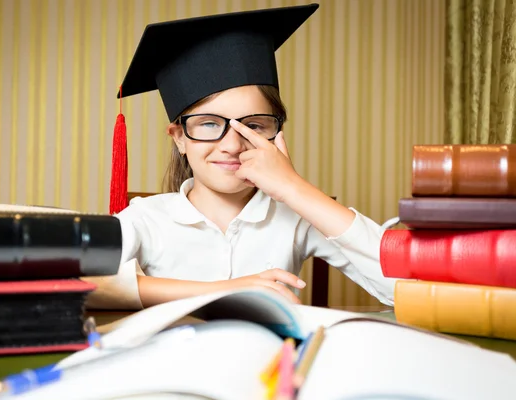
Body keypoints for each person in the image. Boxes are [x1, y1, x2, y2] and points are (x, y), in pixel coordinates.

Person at [83, 3, 398, 310]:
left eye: (254, 126)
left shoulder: (295, 216)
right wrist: (227, 290)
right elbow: (76, 282)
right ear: (179, 137)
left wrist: (293, 187)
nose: (232, 145)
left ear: (276, 134)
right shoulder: (147, 218)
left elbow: (401, 286)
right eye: (209, 124)